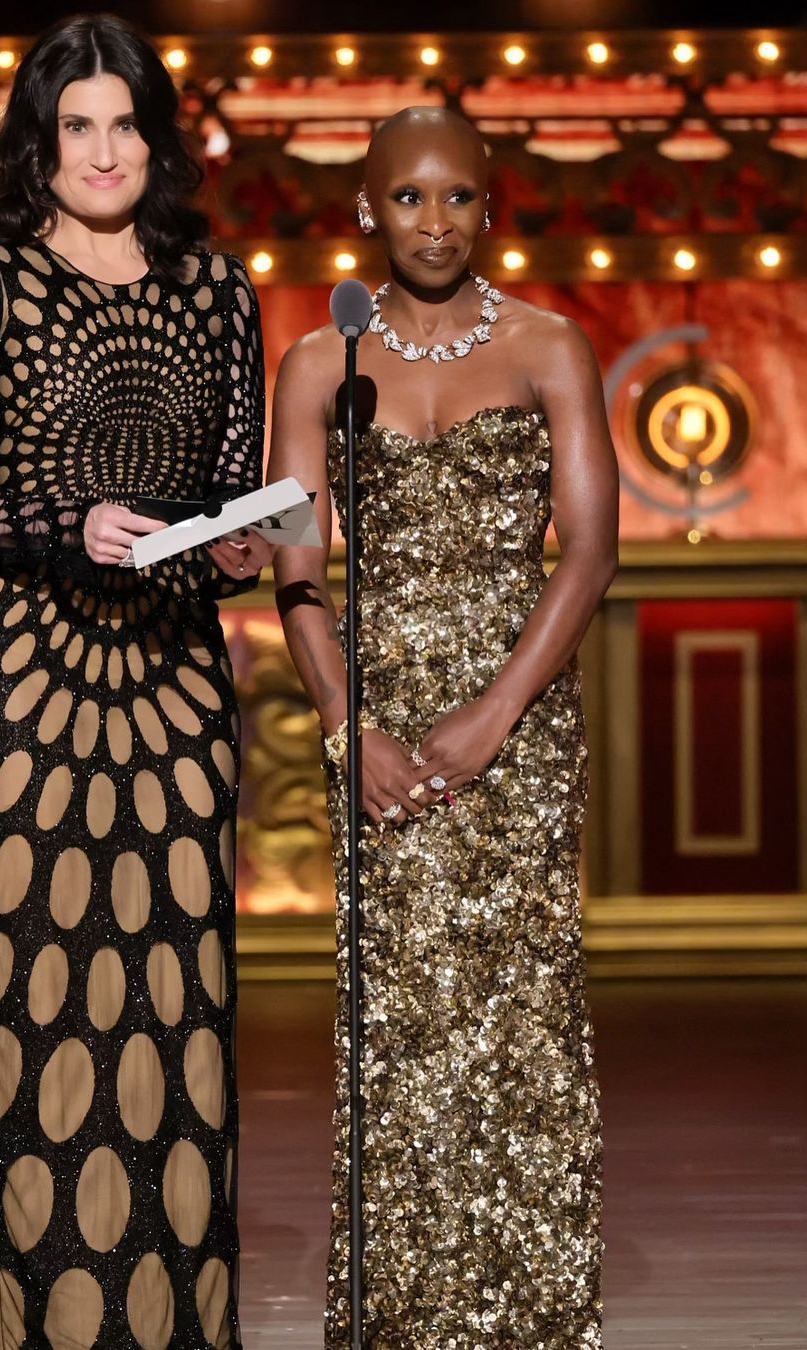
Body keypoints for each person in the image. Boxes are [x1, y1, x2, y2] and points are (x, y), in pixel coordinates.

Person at [0, 14, 268, 1348]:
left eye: (126, 124)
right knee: (31, 995)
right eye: (78, 126)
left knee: (179, 998)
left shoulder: (218, 288)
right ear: (39, 141)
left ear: (158, 140)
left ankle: (176, 1326)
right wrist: (71, 522)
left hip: (175, 684)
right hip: (23, 677)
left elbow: (231, 495)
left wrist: (235, 547)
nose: (104, 151)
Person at [268, 106, 619, 1348]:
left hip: (518, 732)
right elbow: (297, 568)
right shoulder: (318, 363)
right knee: (398, 1034)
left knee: (518, 1022)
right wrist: (346, 727)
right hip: (376, 734)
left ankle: (531, 1323)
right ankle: (400, 1323)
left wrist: (497, 713)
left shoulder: (549, 347)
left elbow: (590, 555)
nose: (434, 222)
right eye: (409, 199)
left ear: (489, 206)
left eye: (458, 197)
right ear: (367, 208)